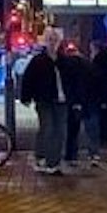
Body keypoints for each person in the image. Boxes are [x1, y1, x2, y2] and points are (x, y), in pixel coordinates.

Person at [20, 29, 68, 175]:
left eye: (55, 40)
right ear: (46, 42)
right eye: (50, 40)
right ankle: (47, 159)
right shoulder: (38, 61)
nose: (53, 43)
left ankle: (54, 160)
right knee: (48, 128)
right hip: (44, 99)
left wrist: (76, 99)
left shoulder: (64, 60)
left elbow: (72, 80)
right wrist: (26, 97)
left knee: (59, 131)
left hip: (62, 100)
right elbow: (28, 79)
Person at [58, 41, 93, 166]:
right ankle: (73, 154)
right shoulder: (85, 64)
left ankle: (67, 153)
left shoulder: (65, 64)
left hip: (67, 99)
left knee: (66, 127)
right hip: (81, 99)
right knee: (75, 128)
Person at [88, 40, 107, 159]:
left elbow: (96, 79)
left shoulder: (98, 62)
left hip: (100, 93)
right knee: (105, 116)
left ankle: (103, 137)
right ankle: (105, 136)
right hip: (106, 93)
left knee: (101, 116)